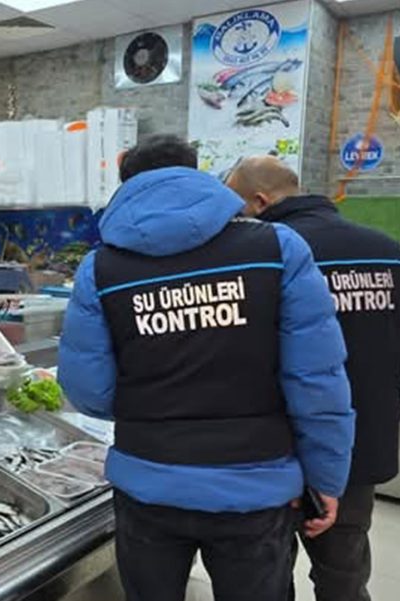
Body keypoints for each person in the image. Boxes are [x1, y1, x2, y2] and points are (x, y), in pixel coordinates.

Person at [57, 134, 355, 601]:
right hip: (255, 488)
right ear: (196, 171)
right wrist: (326, 478)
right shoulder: (278, 248)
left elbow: (87, 391)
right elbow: (317, 380)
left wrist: (151, 403)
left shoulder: (101, 269)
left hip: (148, 485)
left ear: (126, 184)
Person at [227, 156, 400, 601]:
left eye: (238, 208)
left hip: (277, 443)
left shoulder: (264, 256)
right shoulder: (388, 251)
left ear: (260, 201)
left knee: (269, 574)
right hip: (361, 441)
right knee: (344, 573)